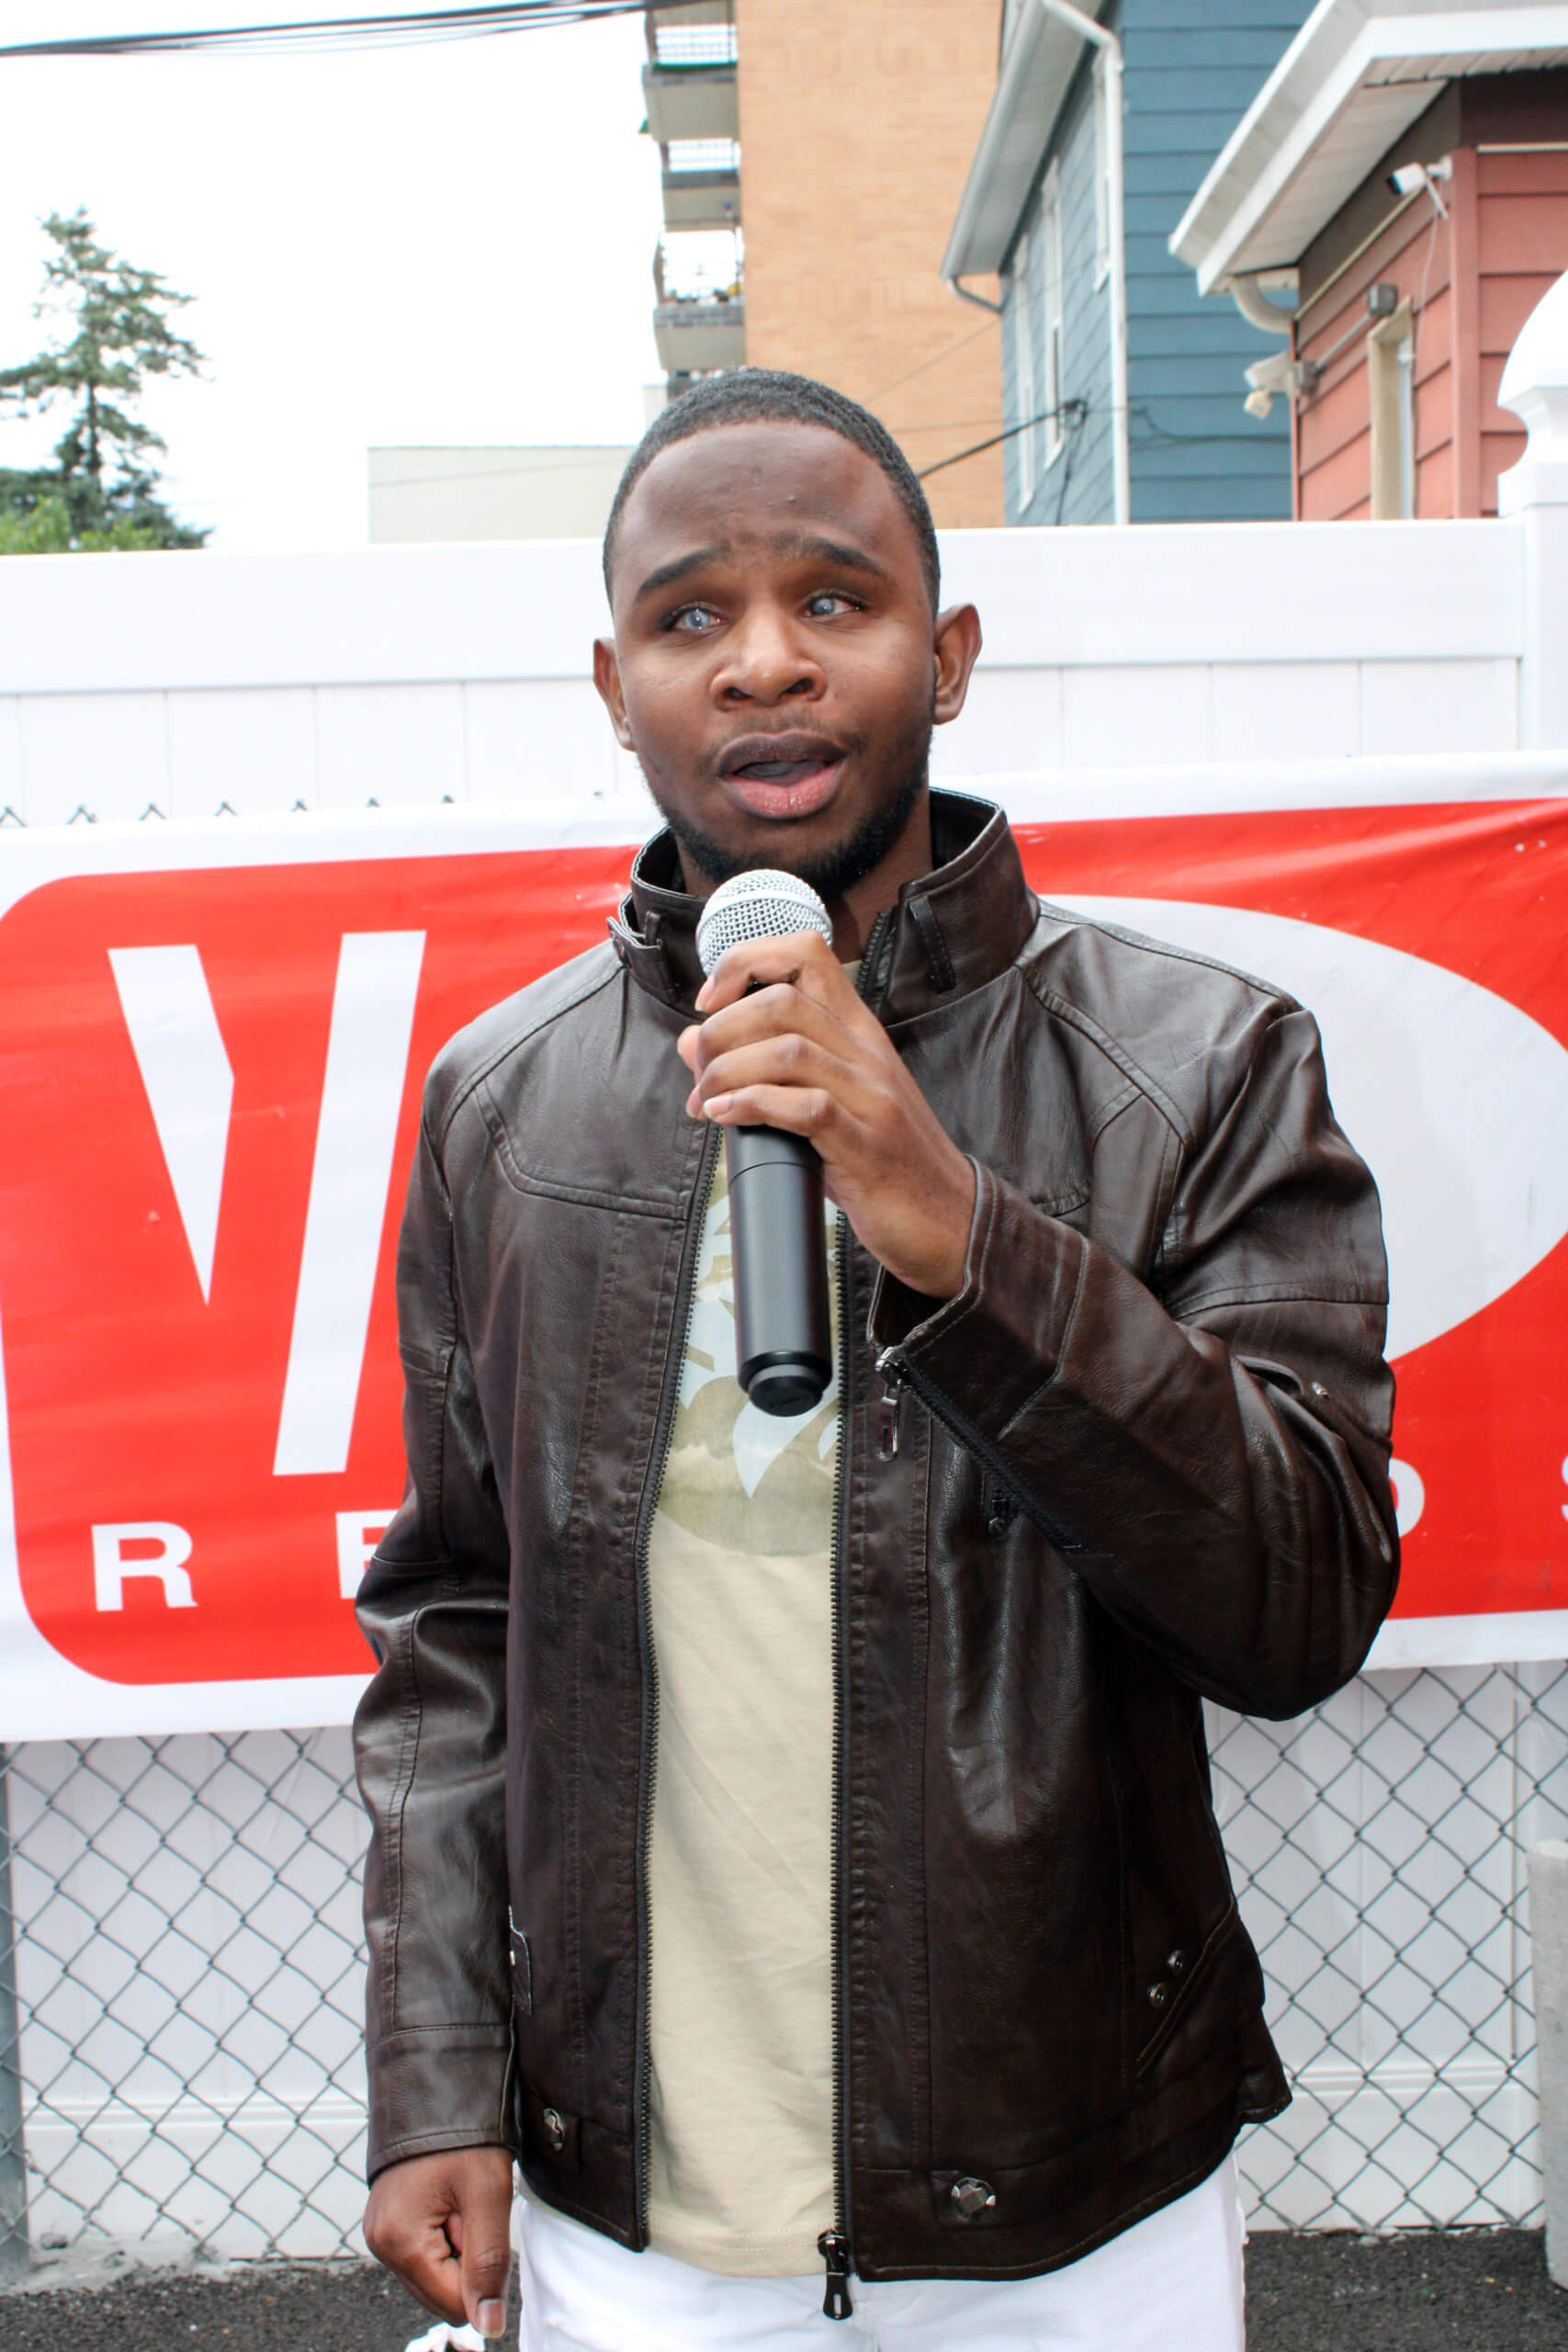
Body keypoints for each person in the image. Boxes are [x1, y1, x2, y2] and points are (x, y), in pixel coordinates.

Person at [355, 371, 1397, 2349]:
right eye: (691, 617)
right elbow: (455, 1617)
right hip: (636, 2209)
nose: (763, 664)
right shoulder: (501, 1103)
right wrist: (435, 2068)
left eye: (833, 601)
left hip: (1073, 2203)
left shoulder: (1197, 1062)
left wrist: (959, 1230)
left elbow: (1299, 1604)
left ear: (950, 654)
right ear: (613, 679)